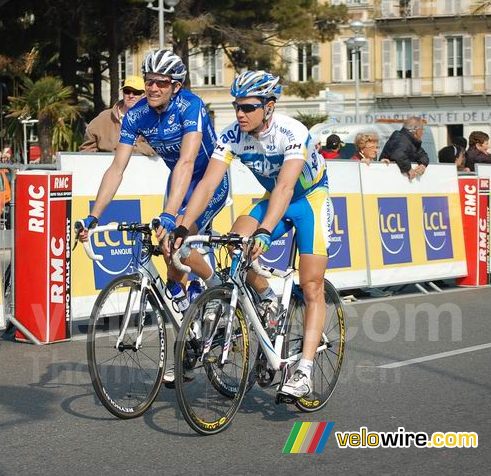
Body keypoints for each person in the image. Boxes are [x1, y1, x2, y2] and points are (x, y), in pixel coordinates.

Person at [171, 70, 331, 400]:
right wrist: (185, 226)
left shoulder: (292, 132)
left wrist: (265, 232)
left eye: (247, 107)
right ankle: (269, 300)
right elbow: (207, 184)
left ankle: (304, 369)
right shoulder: (232, 135)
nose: (239, 114)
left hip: (308, 200)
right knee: (234, 243)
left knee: (311, 284)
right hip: (274, 199)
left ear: (268, 107)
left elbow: (287, 187)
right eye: (236, 106)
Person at [76, 50, 230, 377]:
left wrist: (173, 216)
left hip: (208, 181)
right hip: (178, 182)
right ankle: (192, 333)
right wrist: (93, 216)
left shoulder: (191, 106)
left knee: (179, 245)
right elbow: (117, 168)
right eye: (149, 81)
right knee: (169, 257)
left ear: (175, 85)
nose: (153, 87)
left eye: (161, 82)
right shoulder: (137, 115)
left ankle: (217, 292)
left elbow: (188, 162)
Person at [79, 76, 156, 156]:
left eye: (136, 92)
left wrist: (127, 147)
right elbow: (87, 149)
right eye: (127, 91)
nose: (131, 95)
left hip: (141, 166)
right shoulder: (103, 118)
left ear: (144, 95)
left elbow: (157, 147)